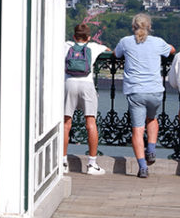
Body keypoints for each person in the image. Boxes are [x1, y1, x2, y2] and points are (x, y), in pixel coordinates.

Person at [114, 12, 175, 178]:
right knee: (152, 119)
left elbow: (116, 54)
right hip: (155, 90)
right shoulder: (158, 42)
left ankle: (142, 167)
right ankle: (152, 149)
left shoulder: (125, 42)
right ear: (149, 27)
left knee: (137, 130)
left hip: (135, 91)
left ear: (133, 27)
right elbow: (172, 50)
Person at [62, 23, 108, 175]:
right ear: (88, 37)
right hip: (87, 85)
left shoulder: (66, 46)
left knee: (66, 123)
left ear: (74, 36)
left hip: (69, 83)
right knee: (90, 123)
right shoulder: (94, 47)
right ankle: (92, 164)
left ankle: (62, 162)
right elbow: (110, 51)